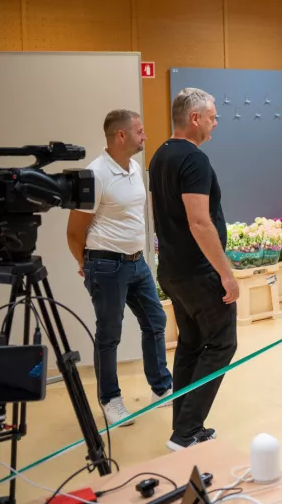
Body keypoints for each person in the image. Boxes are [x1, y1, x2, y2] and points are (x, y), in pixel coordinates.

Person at [67, 110, 173, 426]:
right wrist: (86, 264)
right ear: (121, 136)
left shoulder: (135, 168)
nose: (145, 136)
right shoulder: (95, 174)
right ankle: (110, 400)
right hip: (106, 265)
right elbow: (74, 231)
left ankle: (161, 387)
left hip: (136, 262)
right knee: (109, 334)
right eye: (140, 131)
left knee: (156, 319)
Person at [149, 88, 239, 452]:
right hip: (198, 272)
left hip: (172, 268)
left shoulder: (160, 155)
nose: (216, 123)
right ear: (195, 118)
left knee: (189, 344)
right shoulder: (194, 159)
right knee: (221, 343)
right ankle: (185, 431)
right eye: (213, 117)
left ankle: (184, 428)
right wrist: (226, 274)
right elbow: (199, 223)